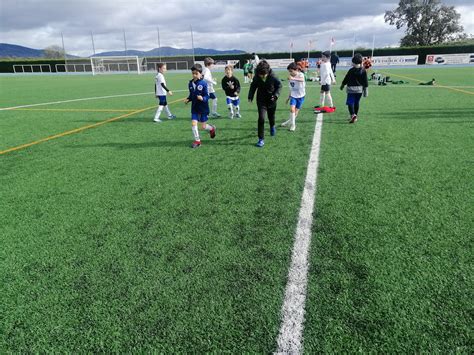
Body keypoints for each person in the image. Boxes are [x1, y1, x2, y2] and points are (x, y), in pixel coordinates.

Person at [248, 60, 282, 147]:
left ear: (268, 71)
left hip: (272, 100)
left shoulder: (273, 76)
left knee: (271, 116)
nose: (262, 76)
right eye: (260, 75)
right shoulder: (256, 76)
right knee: (261, 118)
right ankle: (261, 139)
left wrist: (276, 95)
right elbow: (253, 86)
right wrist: (250, 96)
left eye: (264, 75)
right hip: (261, 100)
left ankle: (272, 126)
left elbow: (279, 86)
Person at [185, 63, 216, 148]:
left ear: (201, 74)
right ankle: (197, 141)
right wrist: (188, 99)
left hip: (203, 108)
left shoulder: (203, 83)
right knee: (194, 123)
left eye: (196, 73)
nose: (194, 75)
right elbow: (192, 95)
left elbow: (207, 95)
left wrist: (202, 98)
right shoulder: (190, 83)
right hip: (194, 108)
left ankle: (212, 128)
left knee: (203, 126)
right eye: (193, 73)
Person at [340, 53, 368, 124]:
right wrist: (365, 91)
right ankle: (355, 116)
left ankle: (352, 115)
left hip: (351, 90)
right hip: (359, 90)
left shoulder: (351, 70)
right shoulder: (363, 71)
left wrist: (342, 85)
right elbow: (365, 82)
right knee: (356, 102)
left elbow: (346, 78)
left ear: (353, 62)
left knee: (350, 102)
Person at [281, 62, 305, 132]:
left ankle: (288, 122)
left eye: (291, 71)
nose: (290, 73)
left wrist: (293, 78)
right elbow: (291, 88)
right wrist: (288, 98)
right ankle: (293, 125)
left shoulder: (301, 74)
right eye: (289, 71)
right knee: (292, 109)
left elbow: (302, 80)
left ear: (296, 70)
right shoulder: (290, 77)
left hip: (301, 96)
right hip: (293, 96)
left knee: (296, 113)